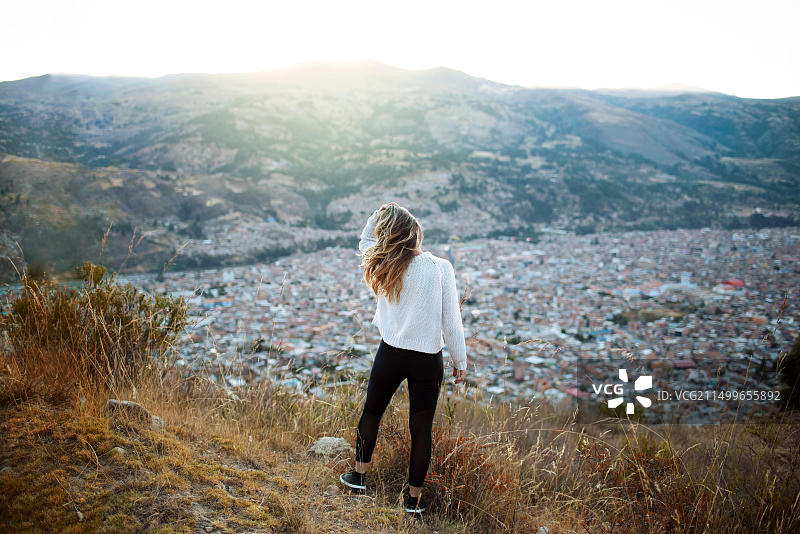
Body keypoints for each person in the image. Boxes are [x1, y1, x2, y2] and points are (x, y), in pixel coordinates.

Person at [339, 202, 468, 515]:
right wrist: (459, 361)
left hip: (391, 353)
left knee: (372, 412)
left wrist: (378, 214)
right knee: (421, 431)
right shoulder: (441, 267)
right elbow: (452, 321)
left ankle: (358, 476)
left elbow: (364, 239)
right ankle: (413, 500)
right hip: (428, 359)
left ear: (388, 233)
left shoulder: (384, 262)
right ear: (416, 234)